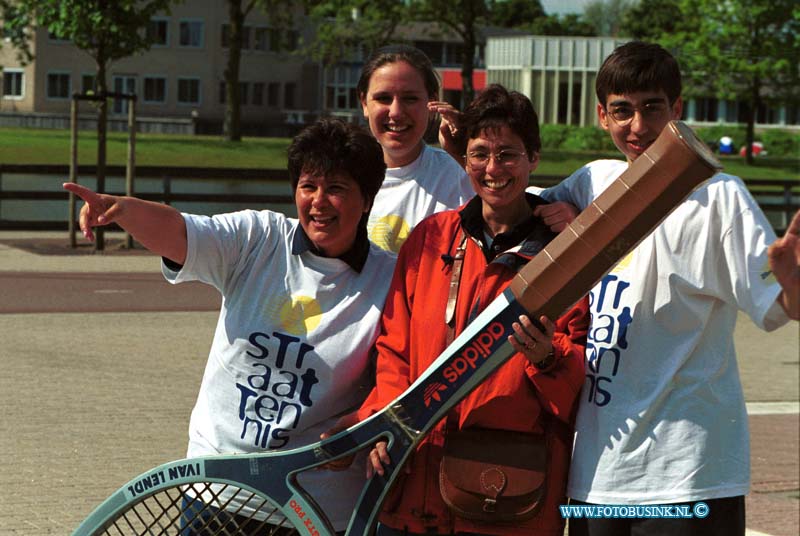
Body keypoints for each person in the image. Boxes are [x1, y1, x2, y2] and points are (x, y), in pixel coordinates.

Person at [63, 119, 396, 534]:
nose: (319, 202)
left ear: (367, 199)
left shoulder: (392, 280)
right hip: (216, 490)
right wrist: (123, 210)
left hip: (313, 509)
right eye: (308, 186)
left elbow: (402, 376)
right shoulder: (259, 238)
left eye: (337, 189)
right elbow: (183, 233)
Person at [534, 41, 800, 536]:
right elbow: (507, 209)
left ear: (677, 109)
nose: (638, 126)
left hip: (687, 473)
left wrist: (792, 284)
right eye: (622, 111)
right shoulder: (592, 183)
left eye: (652, 107)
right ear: (601, 116)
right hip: (596, 473)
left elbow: (778, 304)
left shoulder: (719, 198)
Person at [354, 84, 590, 536]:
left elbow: (581, 377)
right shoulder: (431, 239)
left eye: (509, 154)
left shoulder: (563, 258)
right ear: (464, 160)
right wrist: (386, 419)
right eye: (480, 153)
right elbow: (393, 347)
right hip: (413, 483)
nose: (493, 168)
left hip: (508, 497)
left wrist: (547, 358)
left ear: (534, 159)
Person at [358, 44, 475, 252]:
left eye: (410, 98)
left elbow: (516, 210)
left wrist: (465, 158)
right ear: (364, 103)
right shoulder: (344, 178)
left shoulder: (460, 175)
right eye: (383, 98)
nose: (396, 112)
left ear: (432, 101)